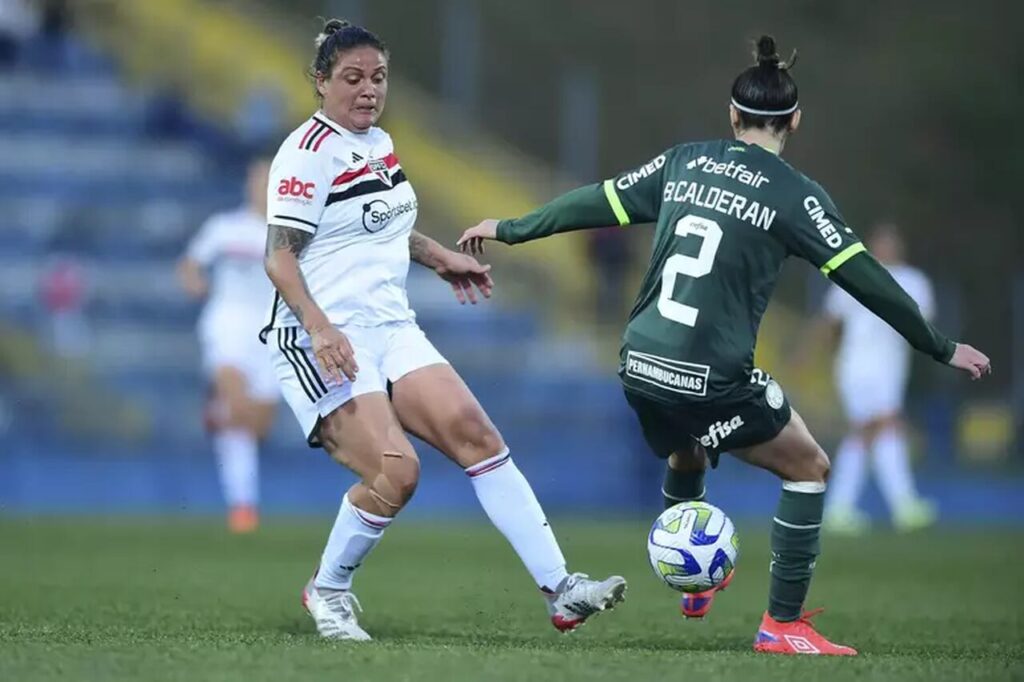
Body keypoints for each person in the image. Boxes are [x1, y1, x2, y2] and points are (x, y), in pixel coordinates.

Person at [458, 35, 991, 656]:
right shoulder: (797, 196)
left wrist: (511, 228)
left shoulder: (684, 161)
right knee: (811, 468)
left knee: (688, 450)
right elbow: (866, 276)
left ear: (732, 116)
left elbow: (596, 201)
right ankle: (782, 625)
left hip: (638, 361)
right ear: (795, 120)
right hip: (709, 373)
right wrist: (937, 344)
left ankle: (692, 583)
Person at [261, 18, 625, 641]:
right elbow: (279, 255)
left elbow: (384, 226)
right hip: (320, 338)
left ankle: (561, 589)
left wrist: (439, 256)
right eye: (352, 78)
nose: (368, 90)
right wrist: (320, 329)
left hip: (390, 326)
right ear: (321, 82)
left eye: (378, 78)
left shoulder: (378, 144)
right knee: (398, 474)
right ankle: (328, 590)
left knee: (476, 435)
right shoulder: (307, 152)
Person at [178, 155, 279, 533]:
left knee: (256, 424)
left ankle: (217, 414)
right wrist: (194, 282)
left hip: (271, 332)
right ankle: (243, 507)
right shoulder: (225, 228)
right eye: (258, 179)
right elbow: (189, 264)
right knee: (237, 407)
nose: (263, 187)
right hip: (227, 323)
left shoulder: (292, 234)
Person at [816, 224, 939, 534]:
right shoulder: (853, 272)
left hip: (890, 368)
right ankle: (902, 505)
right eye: (880, 243)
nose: (886, 248)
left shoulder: (914, 280)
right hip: (855, 367)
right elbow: (831, 320)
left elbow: (924, 323)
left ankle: (843, 508)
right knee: (882, 426)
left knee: (871, 433)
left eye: (891, 242)